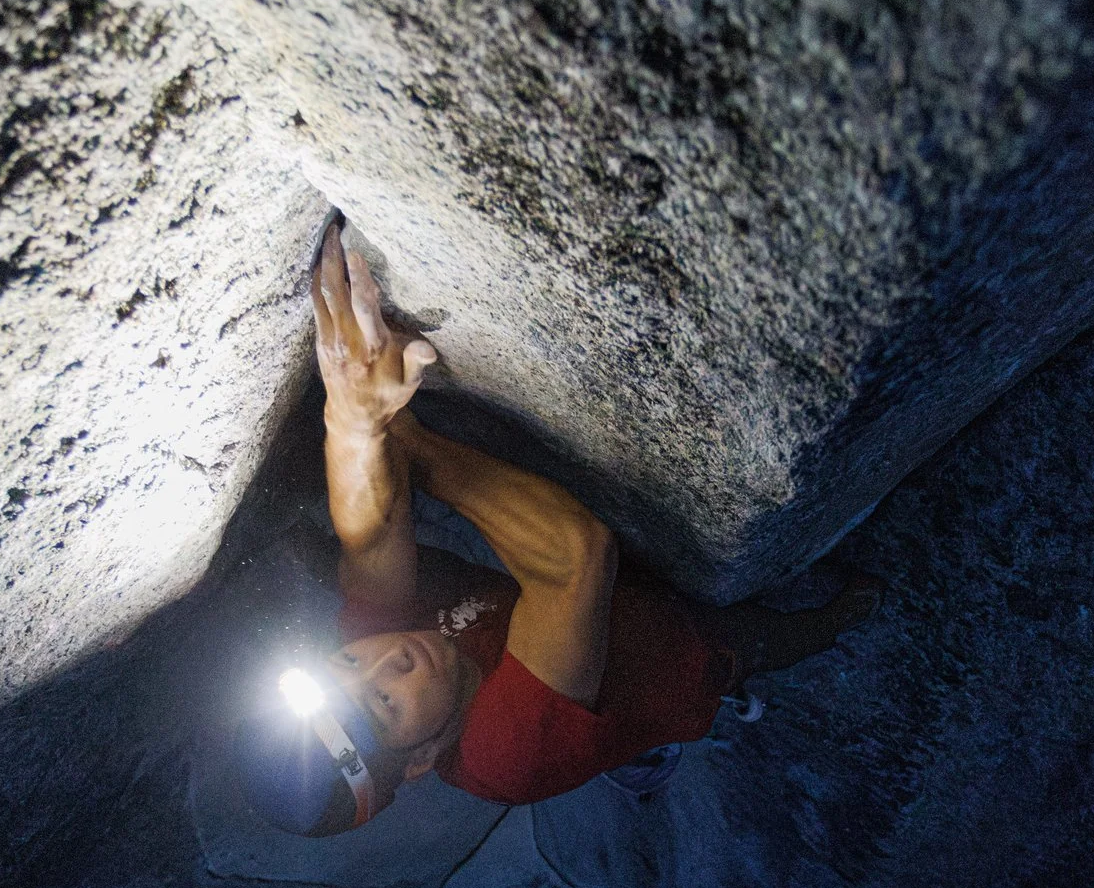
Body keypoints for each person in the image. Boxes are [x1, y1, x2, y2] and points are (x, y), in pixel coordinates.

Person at [234, 215, 879, 837]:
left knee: (355, 568)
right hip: (670, 660)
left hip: (560, 629)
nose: (386, 659)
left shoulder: (384, 654)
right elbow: (575, 560)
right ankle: (846, 618)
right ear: (421, 763)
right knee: (755, 643)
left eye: (347, 660)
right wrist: (411, 444)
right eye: (384, 705)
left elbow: (371, 539)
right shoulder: (508, 754)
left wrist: (351, 419)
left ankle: (609, 738)